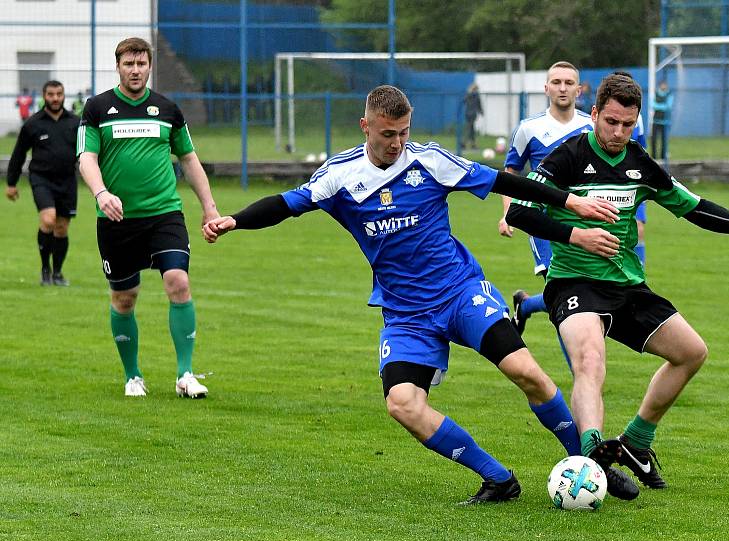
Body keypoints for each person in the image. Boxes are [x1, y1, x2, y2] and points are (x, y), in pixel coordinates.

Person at [203, 84, 642, 503]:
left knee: (526, 371)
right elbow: (284, 205)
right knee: (403, 404)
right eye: (387, 134)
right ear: (366, 126)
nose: (397, 143)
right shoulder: (339, 176)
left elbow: (505, 184)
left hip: (460, 292)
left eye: (403, 132)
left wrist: (568, 203)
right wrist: (235, 220)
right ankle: (498, 479)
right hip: (406, 314)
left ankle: (589, 464)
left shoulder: (430, 161)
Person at [505, 72, 729, 491]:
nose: (618, 132)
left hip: (628, 286)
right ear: (594, 113)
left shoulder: (639, 162)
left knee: (691, 352)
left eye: (628, 124)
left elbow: (691, 206)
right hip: (573, 282)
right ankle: (592, 455)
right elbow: (518, 213)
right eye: (611, 122)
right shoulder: (566, 158)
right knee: (590, 362)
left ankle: (636, 441)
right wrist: (577, 233)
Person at [77, 37, 220, 398]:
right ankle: (133, 375)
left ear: (150, 66)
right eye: (129, 64)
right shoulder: (97, 108)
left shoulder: (167, 110)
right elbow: (87, 159)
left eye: (141, 64)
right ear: (118, 66)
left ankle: (185, 374)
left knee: (178, 282)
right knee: (125, 298)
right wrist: (102, 193)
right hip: (116, 220)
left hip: (164, 214)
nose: (136, 70)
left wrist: (210, 207)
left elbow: (188, 159)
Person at [504, 66, 650, 338]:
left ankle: (525, 305)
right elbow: (511, 175)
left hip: (585, 217)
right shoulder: (529, 128)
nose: (562, 88)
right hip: (543, 220)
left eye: (568, 82)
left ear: (578, 89)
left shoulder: (594, 125)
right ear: (545, 87)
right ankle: (581, 374)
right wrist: (506, 212)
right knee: (565, 297)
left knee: (571, 299)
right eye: (556, 82)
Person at [6, 80, 80, 286]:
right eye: (50, 94)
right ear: (44, 96)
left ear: (64, 95)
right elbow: (19, 154)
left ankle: (57, 273)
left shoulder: (75, 123)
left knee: (62, 228)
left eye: (59, 94)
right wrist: (11, 183)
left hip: (67, 181)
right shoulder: (33, 123)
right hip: (41, 179)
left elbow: (88, 153)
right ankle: (45, 269)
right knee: (48, 220)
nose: (55, 98)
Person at [650, 80, 673, 161]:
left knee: (664, 140)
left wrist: (659, 106)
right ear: (660, 85)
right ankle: (654, 157)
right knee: (653, 139)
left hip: (665, 122)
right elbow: (652, 105)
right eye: (662, 85)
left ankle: (663, 157)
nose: (664, 86)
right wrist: (663, 106)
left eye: (665, 85)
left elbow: (669, 106)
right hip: (655, 121)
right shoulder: (655, 94)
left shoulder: (669, 94)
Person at [463, 83, 483, 149]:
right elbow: (479, 105)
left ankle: (470, 144)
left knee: (470, 128)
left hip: (468, 113)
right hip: (472, 114)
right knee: (470, 129)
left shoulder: (468, 94)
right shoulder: (476, 95)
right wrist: (481, 112)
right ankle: (467, 143)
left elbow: (464, 101)